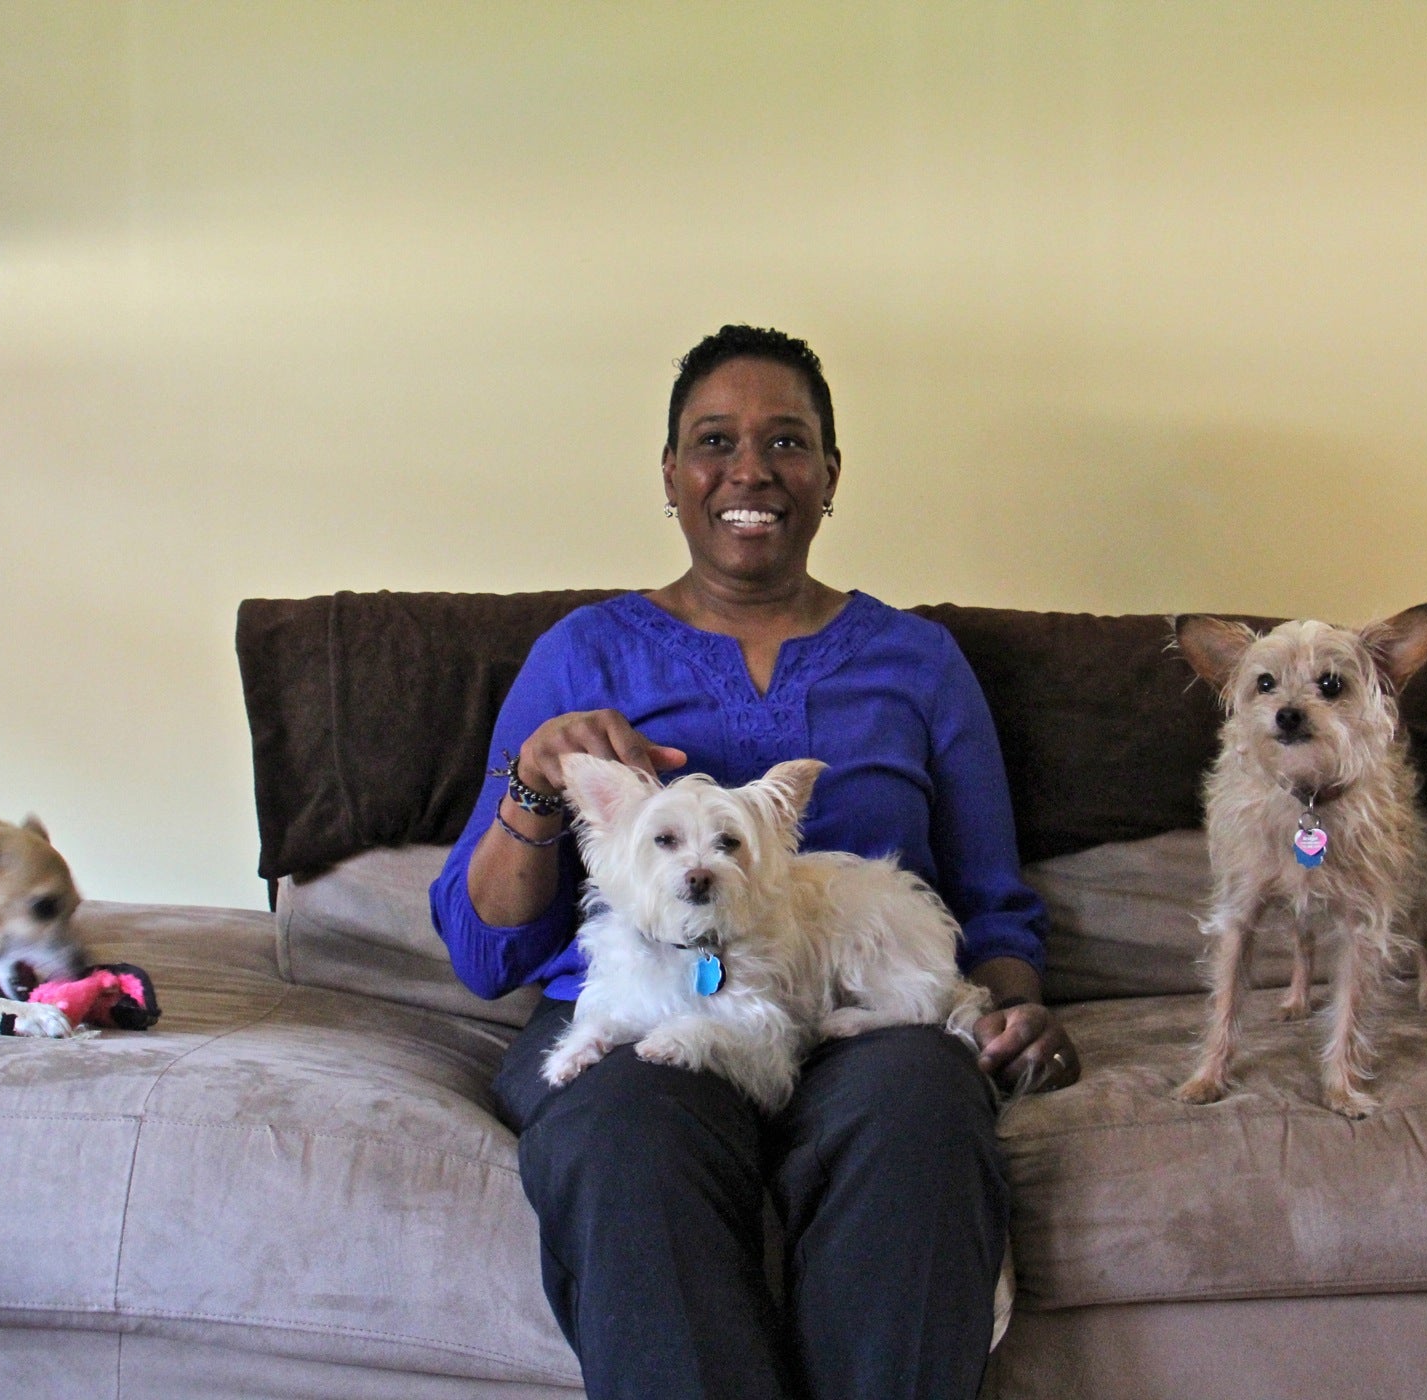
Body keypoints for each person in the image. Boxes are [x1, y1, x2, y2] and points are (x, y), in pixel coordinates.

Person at [429, 324, 1080, 1400]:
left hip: (851, 1001)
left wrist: (1012, 1007)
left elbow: (994, 904)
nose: (751, 470)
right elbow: (480, 947)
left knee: (922, 1103)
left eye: (787, 441)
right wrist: (536, 786)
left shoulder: (918, 663)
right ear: (672, 478)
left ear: (830, 476)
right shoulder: (584, 653)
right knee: (624, 1135)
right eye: (713, 440)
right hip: (640, 1007)